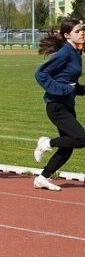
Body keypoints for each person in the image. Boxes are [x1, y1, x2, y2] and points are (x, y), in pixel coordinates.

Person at [31, 18, 85, 191]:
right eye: (77, 31)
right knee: (81, 138)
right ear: (67, 35)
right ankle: (46, 143)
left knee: (68, 146)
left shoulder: (76, 52)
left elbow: (72, 84)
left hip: (67, 105)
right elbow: (41, 74)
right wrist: (63, 89)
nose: (82, 33)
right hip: (56, 105)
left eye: (82, 29)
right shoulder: (65, 53)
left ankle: (42, 178)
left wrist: (76, 89)